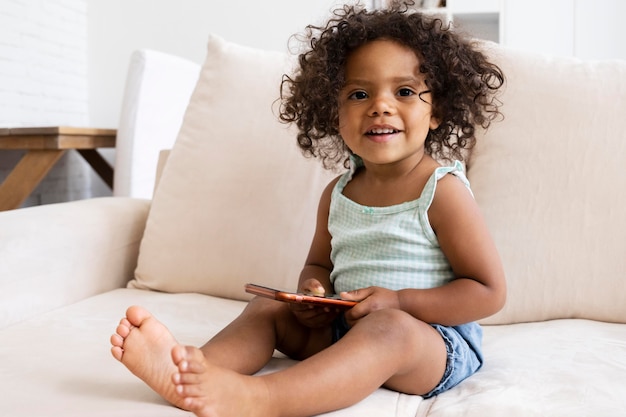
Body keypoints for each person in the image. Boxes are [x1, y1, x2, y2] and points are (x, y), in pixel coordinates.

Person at [110, 2, 507, 416]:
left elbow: (488, 292)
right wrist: (312, 296)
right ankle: (190, 373)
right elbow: (318, 266)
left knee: (389, 328)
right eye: (358, 94)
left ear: (437, 109)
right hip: (345, 331)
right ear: (334, 114)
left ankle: (259, 398)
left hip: (429, 344)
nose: (380, 106)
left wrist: (401, 303)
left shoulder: (441, 192)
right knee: (270, 307)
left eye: (404, 91)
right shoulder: (339, 193)